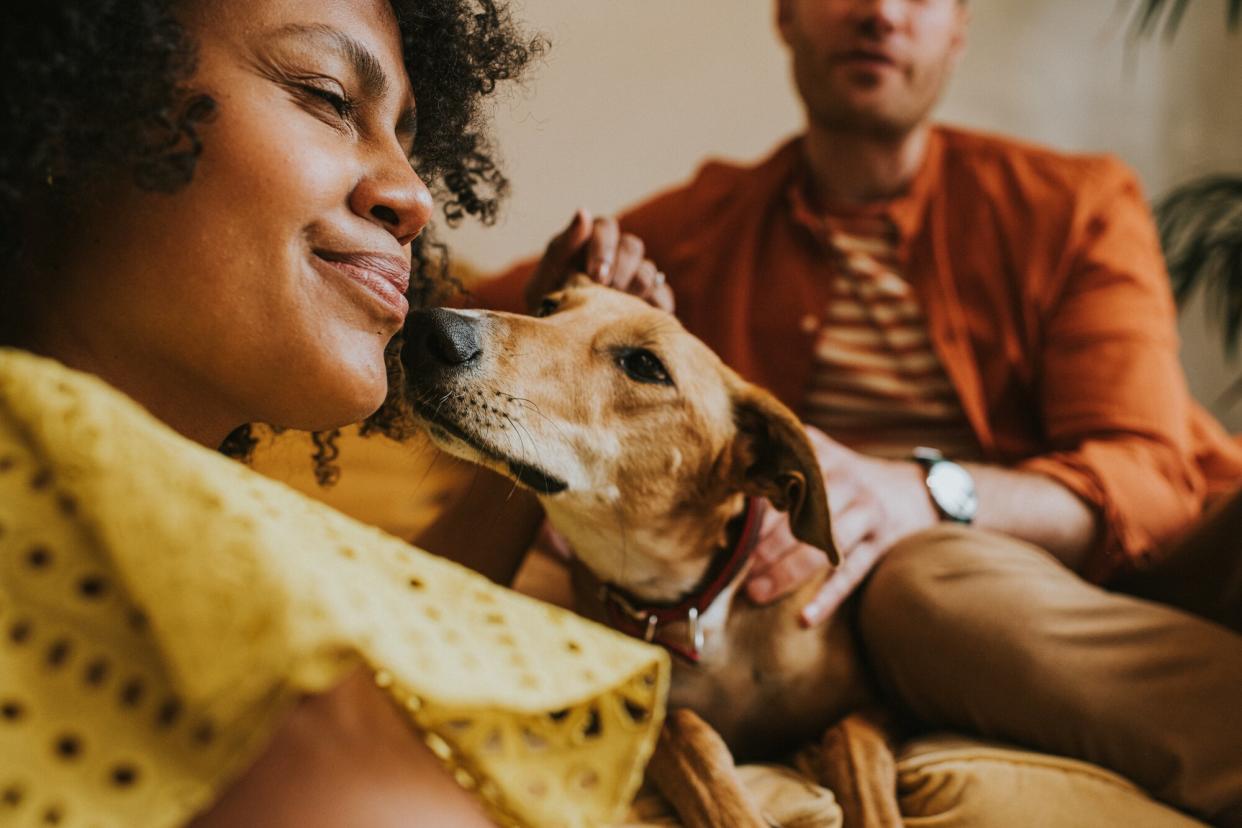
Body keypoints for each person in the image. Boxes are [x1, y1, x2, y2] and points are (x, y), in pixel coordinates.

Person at [477, 0, 1242, 824]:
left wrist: (919, 495)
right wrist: (555, 304)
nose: (879, 13)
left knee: (918, 580)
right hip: (820, 615)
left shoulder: (1073, 205)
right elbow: (444, 317)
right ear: (788, 17)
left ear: (959, 27)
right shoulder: (702, 229)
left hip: (1070, 575)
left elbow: (1155, 480)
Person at [0, 2, 670, 827]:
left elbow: (406, 641)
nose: (414, 197)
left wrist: (529, 404)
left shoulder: (159, 543)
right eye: (325, 96)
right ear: (78, 94)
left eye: (409, 140)